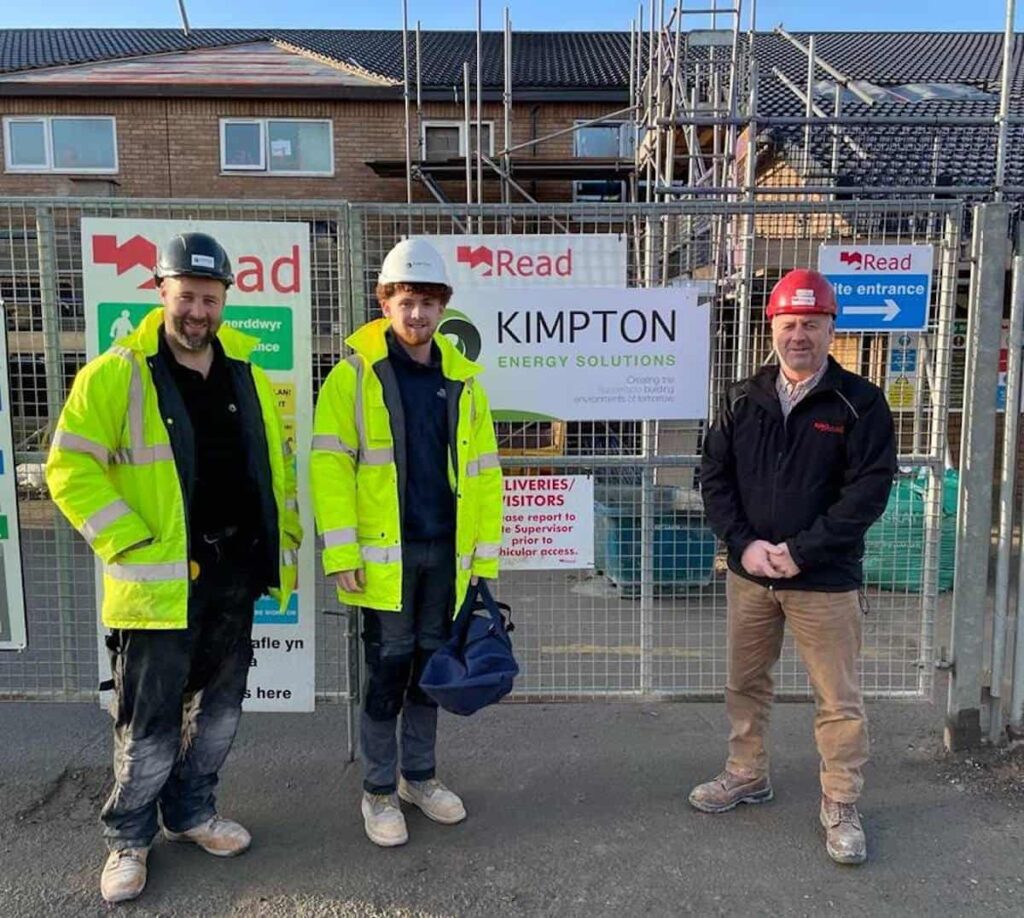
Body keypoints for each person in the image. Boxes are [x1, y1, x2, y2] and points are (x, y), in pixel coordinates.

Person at [46, 232, 301, 903]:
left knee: (218, 715)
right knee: (149, 724)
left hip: (233, 575)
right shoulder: (116, 372)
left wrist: (284, 540)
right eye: (186, 295)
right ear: (161, 293)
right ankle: (128, 838)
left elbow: (270, 470)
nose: (197, 311)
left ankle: (191, 814)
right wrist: (127, 539)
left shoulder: (245, 367)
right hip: (158, 586)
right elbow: (69, 467)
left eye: (209, 298)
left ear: (224, 302)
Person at [691, 268, 896, 865]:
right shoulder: (741, 398)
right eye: (788, 323)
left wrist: (802, 551)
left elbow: (867, 492)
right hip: (750, 574)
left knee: (837, 698)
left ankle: (840, 802)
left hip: (824, 580)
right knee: (745, 684)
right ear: (771, 327)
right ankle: (746, 772)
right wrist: (745, 544)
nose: (799, 335)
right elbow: (714, 479)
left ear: (831, 328)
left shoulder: (860, 403)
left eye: (811, 323)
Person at [311, 238, 502, 847]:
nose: (416, 314)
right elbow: (329, 467)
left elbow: (485, 475)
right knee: (388, 671)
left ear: (442, 306)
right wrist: (342, 554)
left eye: (426, 302)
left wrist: (483, 562)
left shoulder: (462, 379)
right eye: (404, 301)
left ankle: (420, 777)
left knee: (429, 672)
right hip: (383, 561)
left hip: (445, 555)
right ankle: (377, 790)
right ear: (384, 302)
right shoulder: (355, 375)